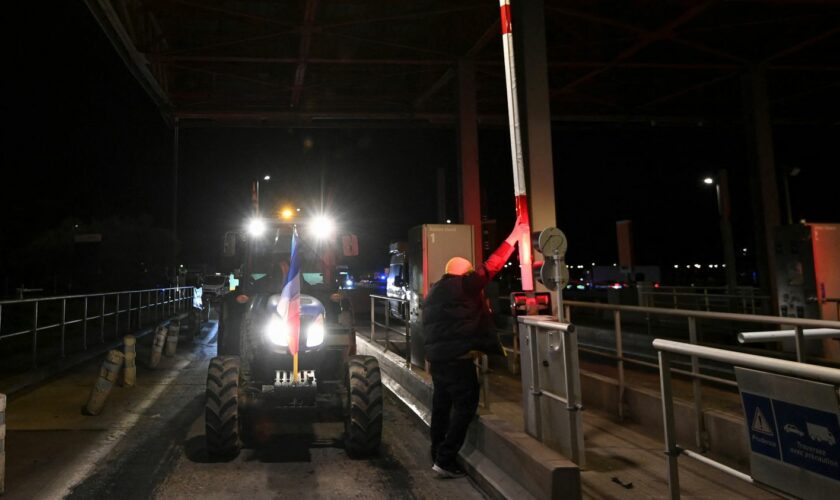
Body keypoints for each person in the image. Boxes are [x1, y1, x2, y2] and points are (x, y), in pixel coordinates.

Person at [423, 219, 527, 478]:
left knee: (441, 406)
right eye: (469, 272)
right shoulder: (463, 286)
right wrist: (513, 238)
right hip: (458, 359)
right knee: (466, 404)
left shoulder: (435, 291)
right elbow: (490, 267)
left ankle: (436, 453)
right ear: (463, 274)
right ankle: (445, 459)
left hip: (438, 360)